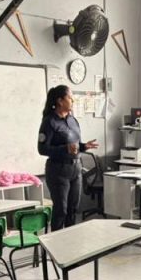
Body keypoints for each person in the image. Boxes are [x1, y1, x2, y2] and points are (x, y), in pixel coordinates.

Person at [37, 85, 98, 231]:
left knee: (73, 209)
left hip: (76, 170)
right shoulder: (49, 122)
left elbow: (75, 146)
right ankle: (55, 242)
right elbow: (42, 149)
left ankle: (70, 241)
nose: (73, 101)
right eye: (70, 98)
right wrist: (65, 149)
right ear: (60, 101)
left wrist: (84, 146)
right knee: (61, 210)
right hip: (58, 171)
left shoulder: (73, 120)